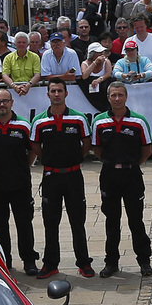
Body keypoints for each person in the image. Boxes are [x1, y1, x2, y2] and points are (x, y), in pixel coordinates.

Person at [29, 80, 93, 278]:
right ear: (48, 94)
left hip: (73, 176)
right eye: (53, 91)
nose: (56, 94)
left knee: (77, 221)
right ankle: (50, 264)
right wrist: (50, 160)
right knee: (50, 222)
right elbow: (35, 146)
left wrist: (73, 159)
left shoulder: (78, 118)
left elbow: (86, 144)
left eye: (60, 91)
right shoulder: (39, 121)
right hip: (51, 177)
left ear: (66, 93)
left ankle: (83, 262)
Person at [90, 81, 152, 278]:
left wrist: (132, 164)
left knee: (136, 221)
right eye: (113, 95)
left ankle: (144, 261)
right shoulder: (99, 121)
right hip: (109, 175)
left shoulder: (138, 121)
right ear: (108, 98)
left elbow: (147, 150)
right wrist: (112, 163)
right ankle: (111, 263)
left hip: (132, 175)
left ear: (126, 97)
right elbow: (97, 149)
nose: (117, 99)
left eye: (120, 95)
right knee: (112, 220)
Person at [0, 89, 39, 274]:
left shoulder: (23, 126)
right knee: (0, 225)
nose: (1, 104)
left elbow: (32, 151)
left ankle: (29, 259)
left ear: (12, 102)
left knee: (24, 223)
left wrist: (21, 168)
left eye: (5, 101)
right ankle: (5, 260)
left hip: (20, 184)